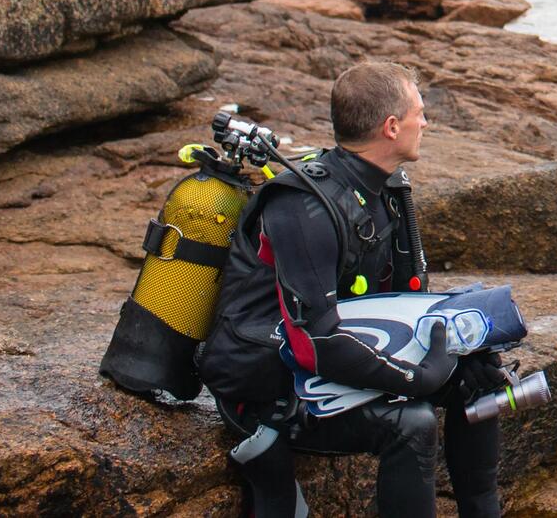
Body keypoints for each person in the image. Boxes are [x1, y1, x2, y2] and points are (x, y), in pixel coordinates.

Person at [200, 61, 510, 517]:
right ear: (390, 127)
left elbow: (402, 301)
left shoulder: (386, 188)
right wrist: (414, 377)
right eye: (418, 113)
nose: (425, 122)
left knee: (477, 380)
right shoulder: (303, 205)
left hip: (335, 355)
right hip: (269, 384)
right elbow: (314, 343)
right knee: (413, 422)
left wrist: (463, 353)